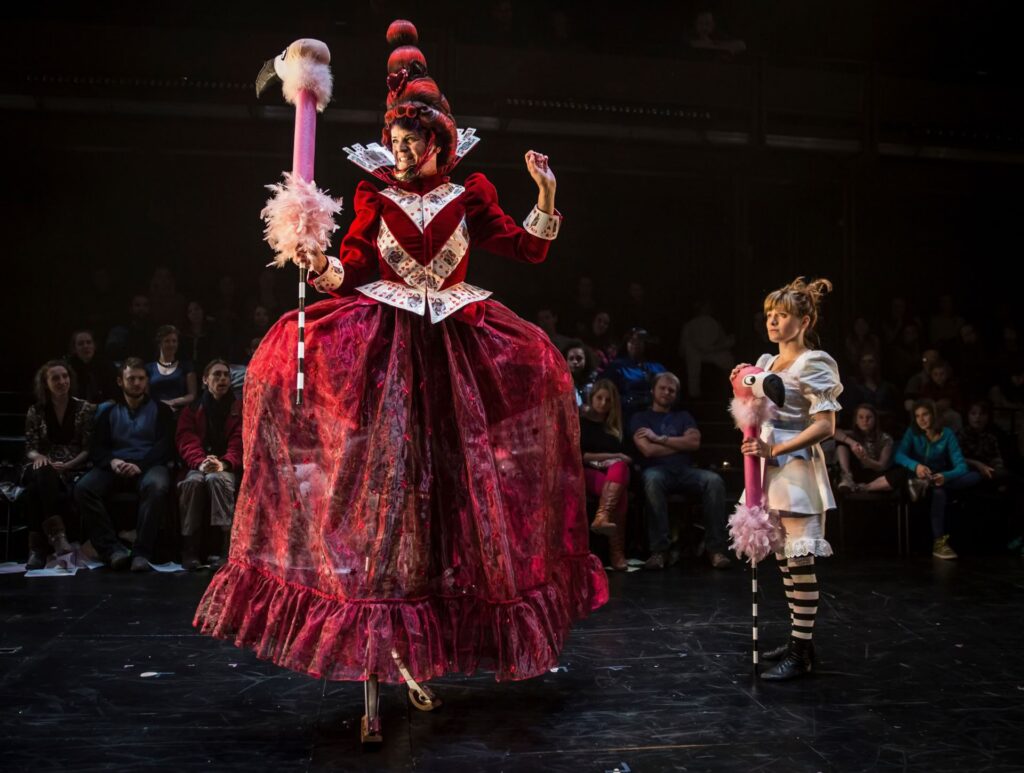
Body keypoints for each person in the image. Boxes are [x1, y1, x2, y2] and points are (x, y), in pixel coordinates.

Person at [193, 21, 607, 744]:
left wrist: (545, 194)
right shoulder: (373, 193)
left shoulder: (469, 192)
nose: (402, 149)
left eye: (412, 139)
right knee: (383, 500)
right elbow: (352, 266)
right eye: (395, 138)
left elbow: (528, 248)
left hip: (456, 354)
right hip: (383, 356)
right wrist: (319, 263)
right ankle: (376, 668)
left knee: (451, 502)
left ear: (437, 139)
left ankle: (420, 652)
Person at [734, 277, 842, 681]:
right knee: (783, 561)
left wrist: (775, 449)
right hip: (767, 469)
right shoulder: (766, 363)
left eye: (782, 315)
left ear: (804, 321)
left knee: (800, 561)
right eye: (770, 314)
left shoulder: (814, 363)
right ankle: (801, 642)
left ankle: (800, 652)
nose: (773, 321)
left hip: (795, 469)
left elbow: (826, 425)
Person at [74, 358, 175, 572]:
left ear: (147, 380)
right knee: (84, 488)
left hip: (148, 464)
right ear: (120, 381)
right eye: (131, 379)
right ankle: (112, 550)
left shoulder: (161, 410)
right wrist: (112, 461)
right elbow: (97, 447)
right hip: (116, 465)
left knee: (157, 486)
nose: (136, 383)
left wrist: (141, 465)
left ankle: (141, 553)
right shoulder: (107, 411)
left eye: (141, 378)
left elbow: (165, 446)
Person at [630, 372, 731, 571]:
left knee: (714, 481)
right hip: (657, 471)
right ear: (653, 390)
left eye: (672, 390)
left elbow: (694, 443)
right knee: (652, 479)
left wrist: (658, 439)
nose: (667, 392)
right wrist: (679, 445)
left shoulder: (683, 417)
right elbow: (647, 450)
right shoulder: (640, 418)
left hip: (685, 471)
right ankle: (659, 551)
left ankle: (715, 549)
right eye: (662, 388)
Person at [22, 361, 96, 569]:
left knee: (34, 490)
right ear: (45, 383)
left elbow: (87, 448)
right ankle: (58, 536)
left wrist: (68, 465)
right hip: (42, 464)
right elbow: (30, 447)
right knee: (43, 472)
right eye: (55, 378)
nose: (62, 381)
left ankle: (37, 550)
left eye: (65, 376)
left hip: (73, 466)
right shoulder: (36, 410)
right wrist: (39, 457)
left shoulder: (84, 408)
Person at [893, 399, 980, 560]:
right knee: (939, 493)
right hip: (918, 476)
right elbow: (899, 455)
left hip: (940, 477)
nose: (921, 419)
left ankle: (931, 483)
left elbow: (961, 466)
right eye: (917, 416)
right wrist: (916, 466)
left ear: (934, 415)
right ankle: (939, 543)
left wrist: (946, 476)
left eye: (925, 414)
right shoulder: (912, 432)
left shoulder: (947, 434)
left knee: (974, 476)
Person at [176, 360, 242, 571]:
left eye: (226, 375)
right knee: (192, 483)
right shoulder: (192, 409)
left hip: (225, 466)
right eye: (217, 375)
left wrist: (223, 463)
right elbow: (186, 439)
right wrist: (201, 463)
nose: (222, 379)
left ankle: (225, 547)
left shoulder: (239, 408)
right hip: (199, 464)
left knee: (217, 480)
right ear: (205, 380)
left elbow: (240, 440)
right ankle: (190, 548)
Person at [579, 379, 631, 571]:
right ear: (591, 398)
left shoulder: (616, 427)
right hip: (588, 472)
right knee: (620, 494)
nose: (603, 403)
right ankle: (617, 554)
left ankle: (602, 516)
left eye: (608, 400)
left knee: (620, 467)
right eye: (599, 398)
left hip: (613, 474)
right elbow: (581, 456)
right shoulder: (582, 423)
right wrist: (612, 456)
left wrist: (617, 459)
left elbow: (628, 457)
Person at [834, 404, 907, 494]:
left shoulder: (885, 439)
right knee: (841, 442)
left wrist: (865, 459)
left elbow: (881, 466)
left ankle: (864, 488)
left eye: (869, 417)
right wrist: (852, 442)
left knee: (901, 473)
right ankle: (847, 477)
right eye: (861, 417)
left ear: (875, 420)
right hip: (855, 472)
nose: (865, 420)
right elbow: (833, 432)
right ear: (856, 420)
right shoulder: (852, 434)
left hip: (875, 474)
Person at [601, 327, 666, 421]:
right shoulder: (616, 366)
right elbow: (605, 390)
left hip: (656, 414)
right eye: (631, 341)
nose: (634, 344)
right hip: (628, 415)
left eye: (639, 341)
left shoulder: (658, 368)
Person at [145, 325, 198, 412]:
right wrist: (161, 405)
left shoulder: (186, 367)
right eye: (167, 341)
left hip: (179, 412)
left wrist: (173, 402)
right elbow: (145, 396)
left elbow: (192, 395)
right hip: (154, 412)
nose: (171, 344)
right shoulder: (148, 368)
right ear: (159, 344)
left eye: (174, 341)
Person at [563, 339, 597, 407]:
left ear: (586, 360)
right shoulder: (560, 382)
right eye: (571, 358)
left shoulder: (595, 381)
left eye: (579, 358)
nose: (575, 362)